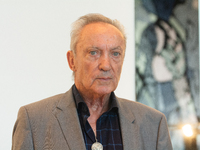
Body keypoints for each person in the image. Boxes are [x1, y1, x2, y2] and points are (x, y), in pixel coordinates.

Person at [12, 13, 172, 150]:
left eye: (115, 54)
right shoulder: (34, 120)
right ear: (72, 60)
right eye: (94, 52)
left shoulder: (154, 124)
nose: (106, 65)